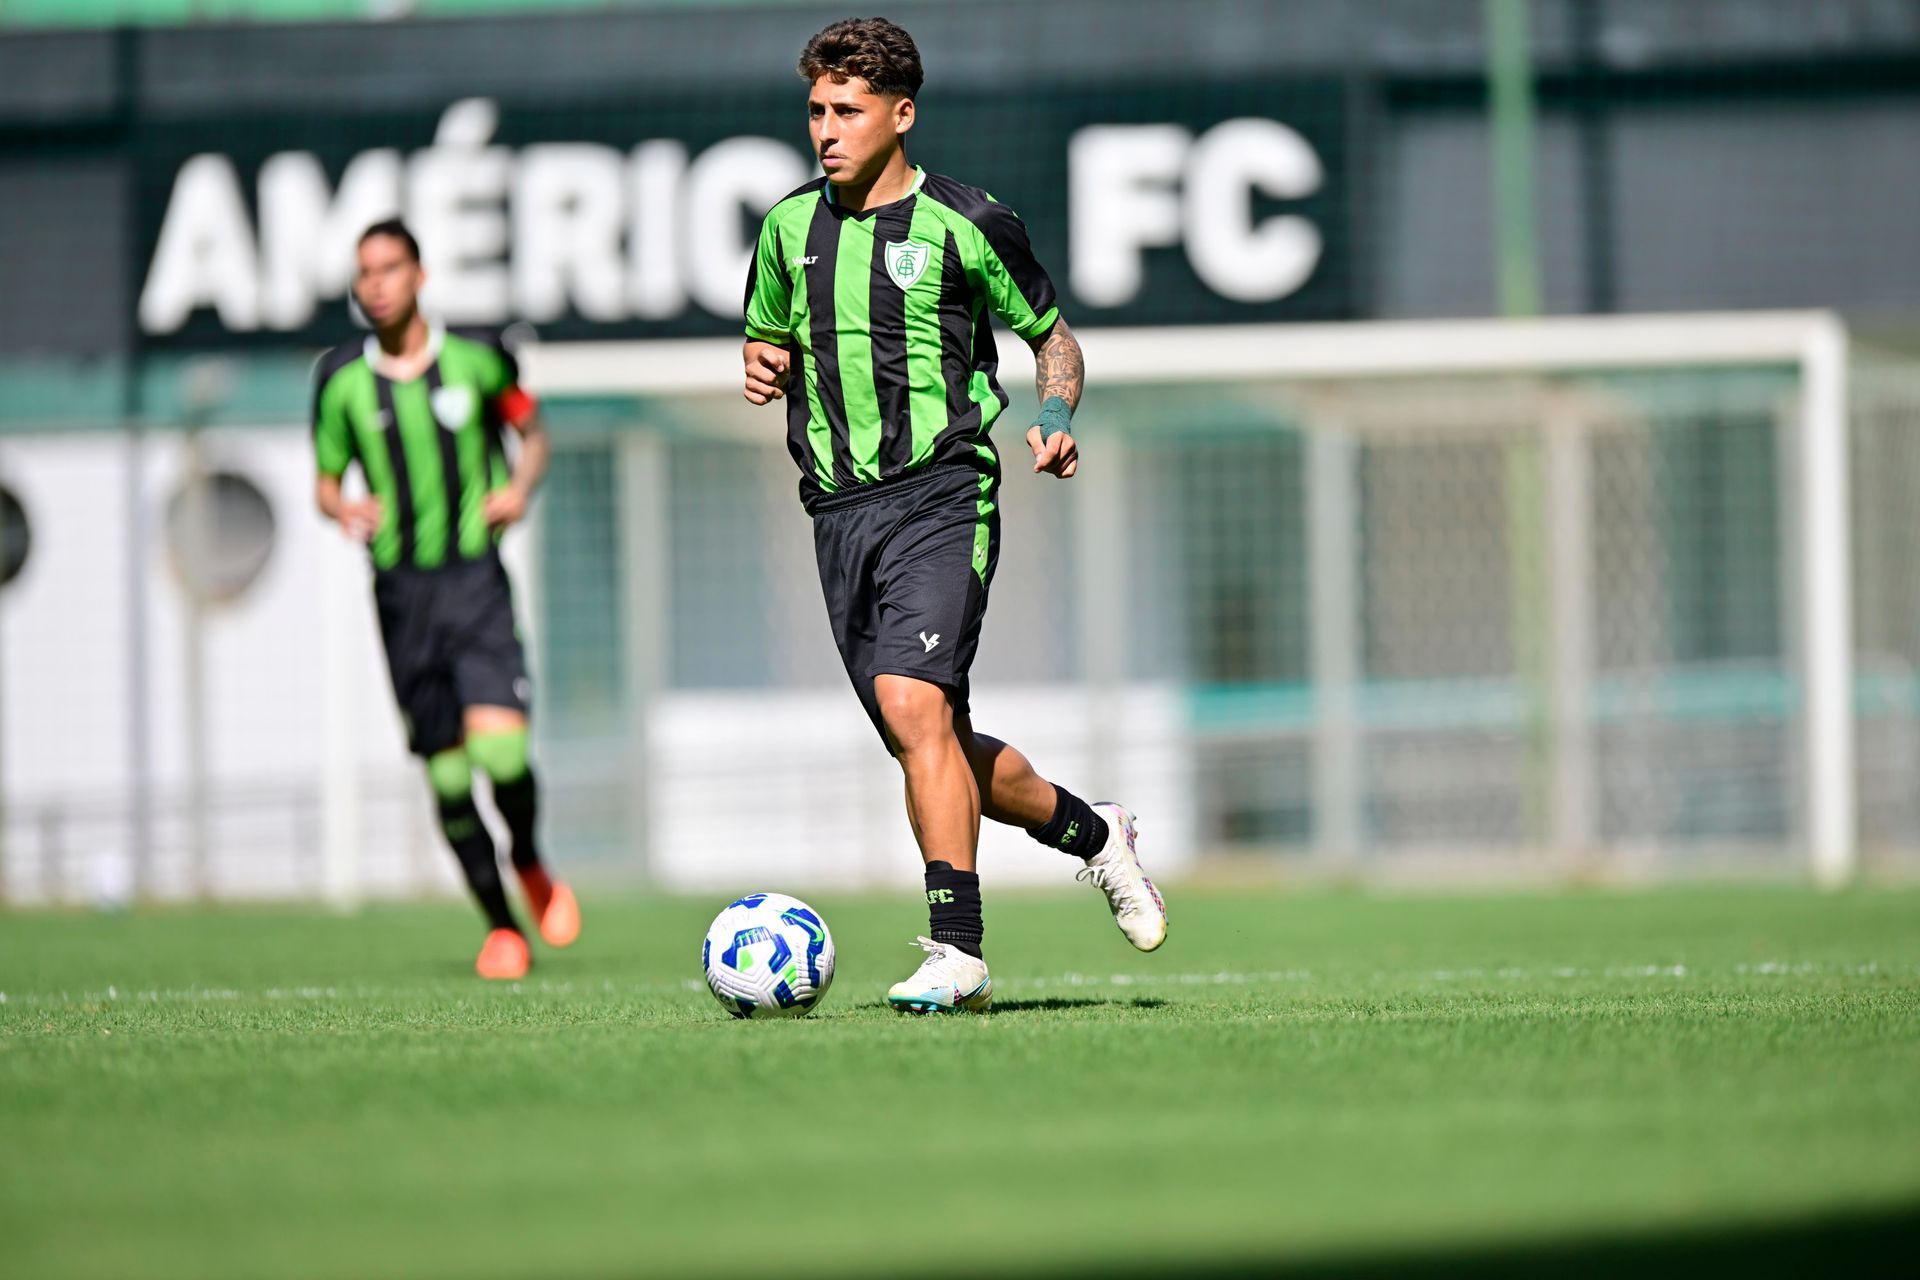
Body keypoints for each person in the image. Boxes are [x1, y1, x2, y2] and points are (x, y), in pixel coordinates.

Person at [741, 18, 1167, 1013]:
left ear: (901, 113)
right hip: (836, 512)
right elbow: (766, 340)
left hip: (943, 489)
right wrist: (763, 363)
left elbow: (1054, 339)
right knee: (931, 734)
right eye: (815, 110)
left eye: (846, 111)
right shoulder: (784, 231)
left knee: (911, 703)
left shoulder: (968, 222)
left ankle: (957, 948)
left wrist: (1055, 412)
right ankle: (1095, 832)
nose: (825, 131)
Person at [311, 218, 578, 980]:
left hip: (474, 583)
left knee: (502, 752)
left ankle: (527, 856)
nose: (377, 284)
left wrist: (519, 490)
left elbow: (533, 433)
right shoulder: (340, 382)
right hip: (402, 596)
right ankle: (502, 929)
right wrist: (343, 509)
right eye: (365, 272)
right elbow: (326, 483)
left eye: (390, 267)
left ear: (420, 275)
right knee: (450, 776)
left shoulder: (478, 359)